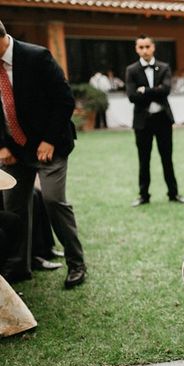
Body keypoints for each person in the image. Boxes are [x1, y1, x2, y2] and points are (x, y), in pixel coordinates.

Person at [0, 21, 86, 288]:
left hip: (52, 145)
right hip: (15, 149)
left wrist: (48, 141)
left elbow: (64, 100)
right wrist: (2, 145)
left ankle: (76, 263)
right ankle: (18, 266)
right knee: (13, 206)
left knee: (52, 201)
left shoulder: (36, 56)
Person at [125, 34, 184, 207]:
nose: (144, 50)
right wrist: (155, 90)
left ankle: (173, 194)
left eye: (147, 46)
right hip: (142, 122)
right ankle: (143, 195)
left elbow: (166, 90)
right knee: (143, 160)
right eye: (141, 47)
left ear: (153, 47)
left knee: (167, 158)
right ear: (136, 49)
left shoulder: (164, 67)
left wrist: (144, 90)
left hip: (163, 120)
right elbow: (131, 96)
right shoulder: (131, 70)